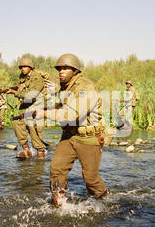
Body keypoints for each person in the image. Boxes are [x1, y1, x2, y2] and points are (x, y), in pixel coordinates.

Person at [46, 53, 108, 207]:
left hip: (89, 137)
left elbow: (73, 114)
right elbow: (64, 105)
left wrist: (45, 114)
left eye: (65, 68)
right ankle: (60, 204)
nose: (61, 71)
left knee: (90, 179)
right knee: (56, 169)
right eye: (59, 69)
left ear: (75, 70)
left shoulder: (86, 87)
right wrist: (45, 108)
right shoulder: (66, 86)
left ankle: (105, 201)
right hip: (69, 136)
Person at [5, 58, 46, 159]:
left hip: (37, 105)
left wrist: (14, 93)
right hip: (25, 105)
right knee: (17, 122)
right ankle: (26, 150)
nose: (22, 69)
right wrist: (12, 89)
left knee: (33, 128)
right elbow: (22, 88)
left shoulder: (36, 77)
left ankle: (40, 152)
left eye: (25, 67)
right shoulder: (22, 77)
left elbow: (32, 95)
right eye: (21, 67)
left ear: (30, 67)